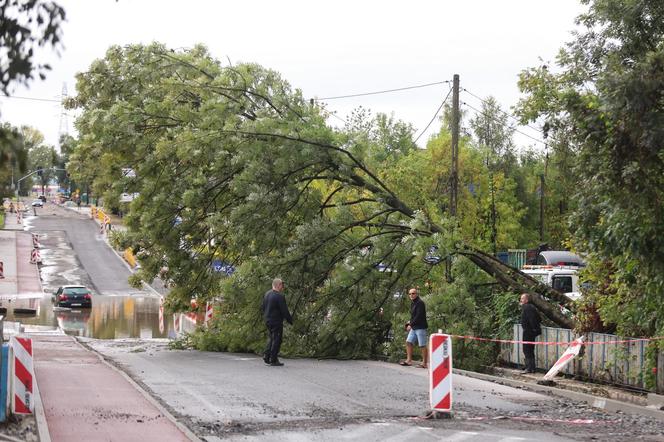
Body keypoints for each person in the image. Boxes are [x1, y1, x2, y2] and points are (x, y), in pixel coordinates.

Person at [261, 278, 293, 367]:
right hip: (276, 321)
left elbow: (263, 307)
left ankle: (266, 356)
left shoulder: (267, 294)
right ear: (278, 285)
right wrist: (290, 320)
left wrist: (267, 316)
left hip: (268, 320)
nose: (283, 287)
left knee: (272, 338)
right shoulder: (279, 296)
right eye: (282, 285)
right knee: (277, 339)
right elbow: (284, 311)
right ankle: (273, 359)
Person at [400, 287, 428, 368]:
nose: (411, 295)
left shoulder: (420, 303)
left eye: (413, 293)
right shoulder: (413, 303)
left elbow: (419, 316)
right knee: (408, 342)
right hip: (414, 327)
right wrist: (409, 322)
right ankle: (409, 361)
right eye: (410, 294)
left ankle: (424, 363)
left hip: (420, 327)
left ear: (417, 294)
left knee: (422, 345)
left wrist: (410, 325)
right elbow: (414, 316)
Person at [520, 293, 542, 373]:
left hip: (528, 331)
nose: (520, 300)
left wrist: (533, 329)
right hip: (530, 331)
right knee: (530, 349)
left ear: (526, 300)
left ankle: (529, 368)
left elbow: (532, 319)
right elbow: (539, 318)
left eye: (522, 299)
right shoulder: (532, 307)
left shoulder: (527, 307)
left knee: (527, 349)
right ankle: (530, 367)